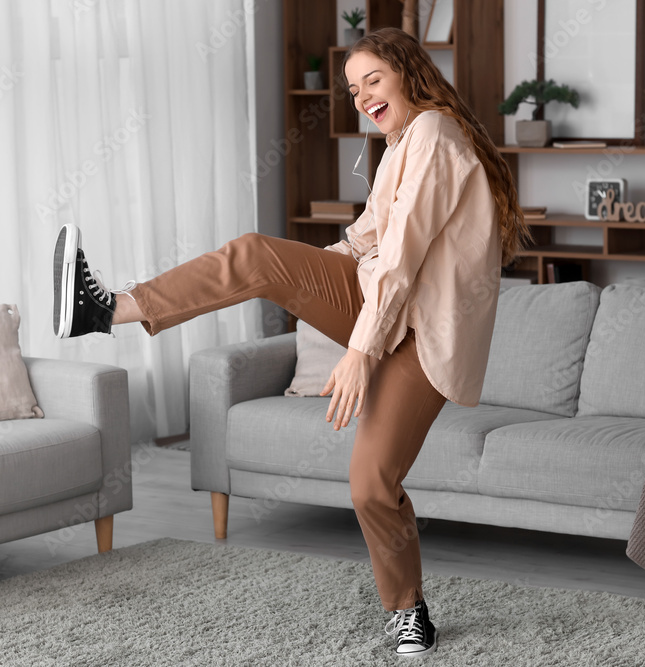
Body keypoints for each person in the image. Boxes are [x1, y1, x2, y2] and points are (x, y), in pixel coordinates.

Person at [52, 26, 530, 657]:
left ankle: (408, 610)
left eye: (373, 81)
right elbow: (364, 241)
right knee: (255, 255)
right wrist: (302, 275)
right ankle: (103, 309)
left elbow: (401, 259)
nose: (360, 97)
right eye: (353, 88)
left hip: (422, 335)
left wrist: (359, 351)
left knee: (370, 485)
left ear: (409, 74)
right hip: (380, 306)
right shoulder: (402, 144)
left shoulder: (435, 135)